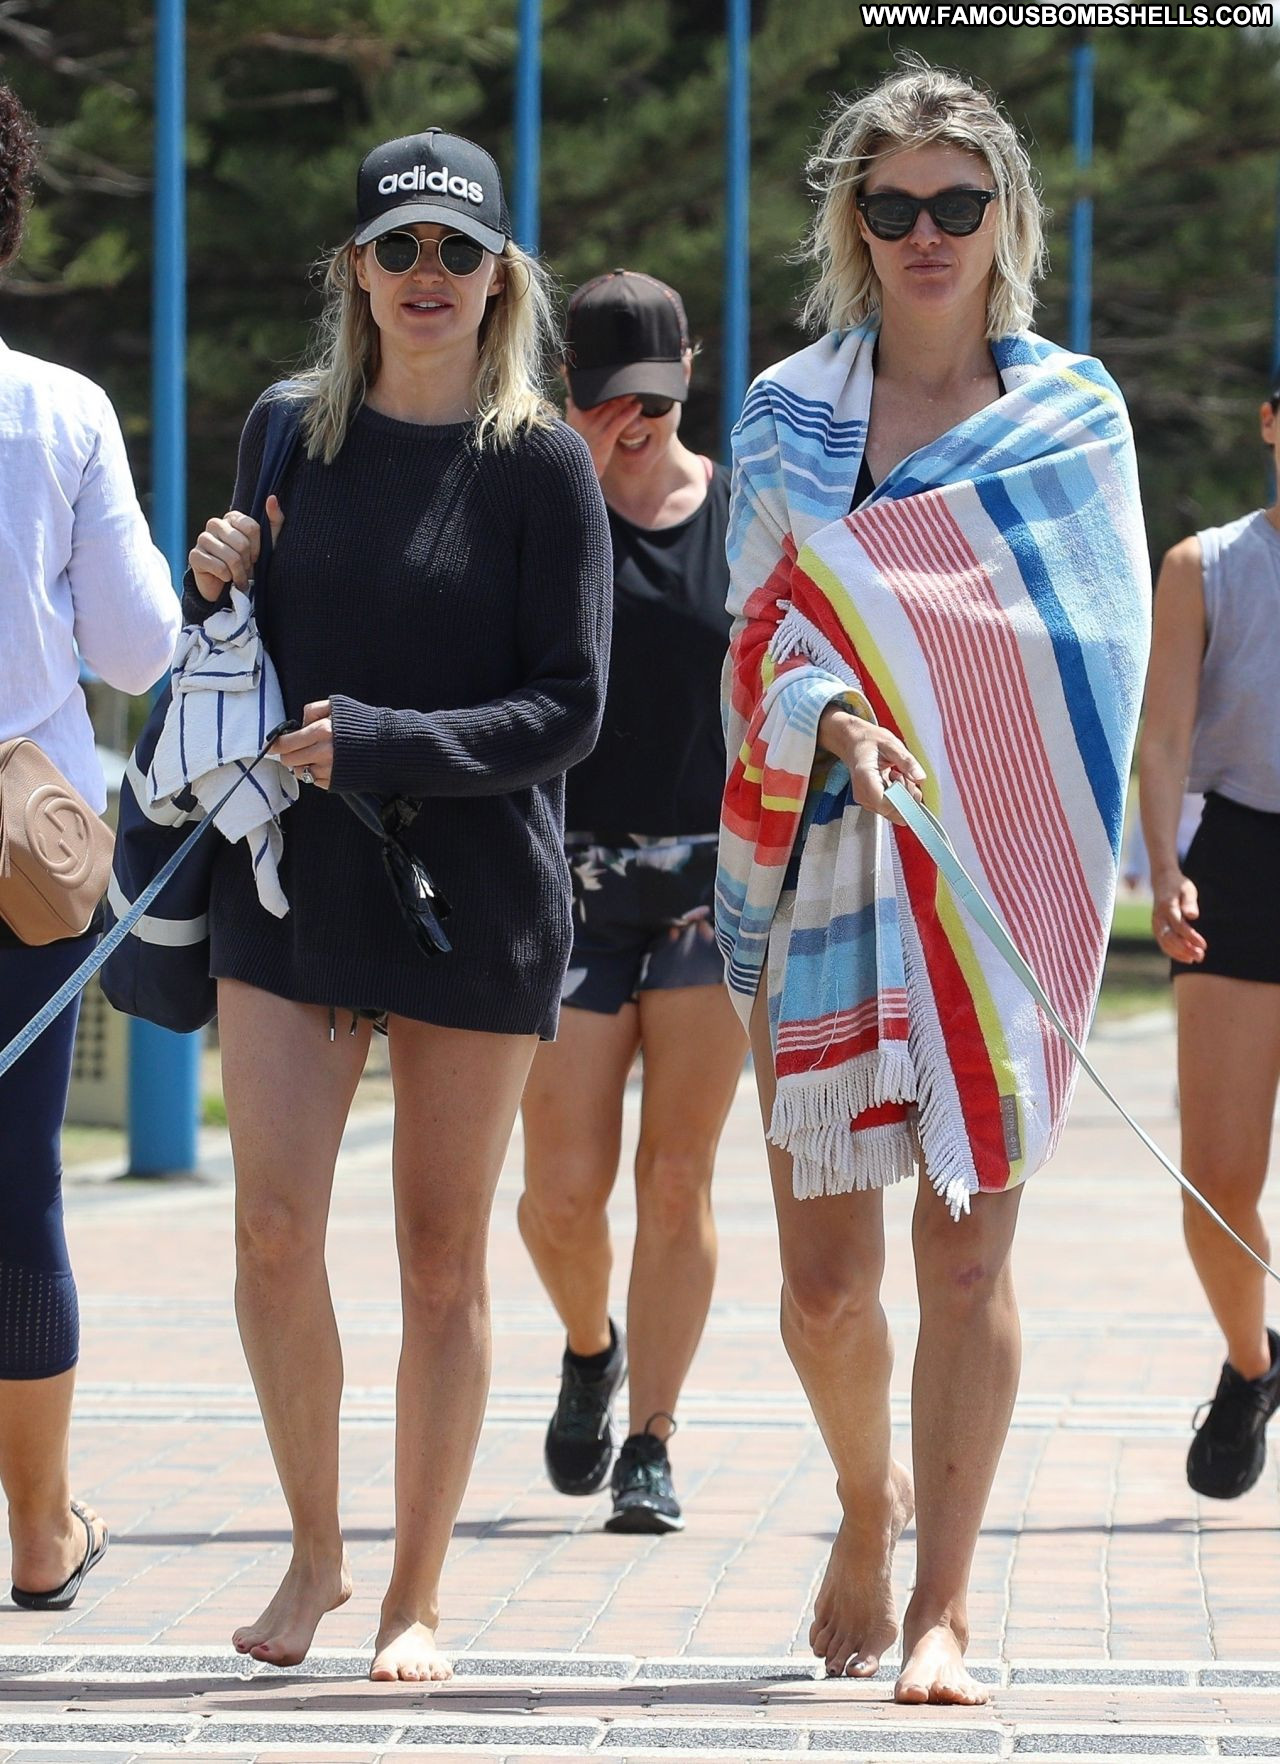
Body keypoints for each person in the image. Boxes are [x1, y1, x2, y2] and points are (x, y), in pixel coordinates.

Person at [717, 64, 1149, 1703]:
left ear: (1005, 219)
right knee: (827, 1289)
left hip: (1000, 868)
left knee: (965, 1257)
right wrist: (836, 713)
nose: (925, 231)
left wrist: (955, 742)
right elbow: (755, 635)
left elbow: (1094, 652)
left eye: (957, 202)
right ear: (853, 220)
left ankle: (944, 1608)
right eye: (891, 204)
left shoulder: (1073, 417)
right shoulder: (785, 415)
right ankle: (866, 1499)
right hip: (820, 850)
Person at [185, 128, 611, 1681]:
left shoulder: (543, 463)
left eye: (458, 249)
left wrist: (392, 740)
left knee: (441, 1255)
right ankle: (317, 1555)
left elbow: (571, 706)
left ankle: (416, 1593)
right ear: (354, 271)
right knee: (271, 1231)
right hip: (295, 873)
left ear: (502, 277)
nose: (428, 274)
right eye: (398, 247)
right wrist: (215, 578)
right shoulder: (285, 431)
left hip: (478, 888)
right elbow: (242, 652)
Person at [519, 271, 747, 1534]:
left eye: (653, 399)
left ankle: (651, 1438)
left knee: (675, 1176)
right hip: (565, 886)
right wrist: (568, 479)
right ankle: (588, 1344)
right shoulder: (539, 509)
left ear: (688, 373)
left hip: (713, 891)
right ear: (570, 391)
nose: (635, 423)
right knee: (560, 1194)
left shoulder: (744, 513)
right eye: (609, 402)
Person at [0, 83, 180, 1608]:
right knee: (17, 1191)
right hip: (23, 851)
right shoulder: (55, 411)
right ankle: (40, 1535)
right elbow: (134, 647)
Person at [1139, 371, 1280, 1501]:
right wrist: (1164, 867)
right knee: (1215, 1187)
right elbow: (1164, 734)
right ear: (1271, 424)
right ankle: (1250, 1364)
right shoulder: (1206, 566)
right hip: (1239, 863)